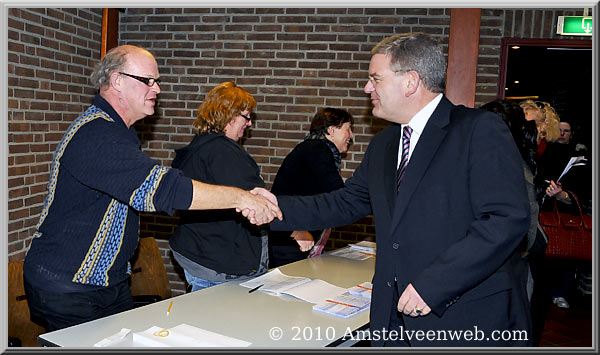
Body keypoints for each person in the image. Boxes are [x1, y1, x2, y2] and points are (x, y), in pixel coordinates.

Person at [265, 32, 532, 346]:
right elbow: (347, 202)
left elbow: (505, 219)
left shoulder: (477, 130)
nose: (367, 88)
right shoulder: (385, 144)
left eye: (375, 79)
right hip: (391, 316)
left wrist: (433, 285)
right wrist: (274, 207)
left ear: (410, 82)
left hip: (461, 316)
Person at [22, 45, 281, 332]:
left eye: (156, 81)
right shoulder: (97, 134)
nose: (156, 88)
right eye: (148, 80)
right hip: (69, 285)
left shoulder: (120, 133)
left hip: (109, 281)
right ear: (117, 80)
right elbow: (160, 190)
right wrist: (241, 196)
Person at [168, 81, 295, 292]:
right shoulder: (223, 152)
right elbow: (257, 202)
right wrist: (296, 229)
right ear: (228, 115)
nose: (250, 123)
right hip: (217, 263)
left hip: (200, 254)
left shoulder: (200, 147)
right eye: (247, 116)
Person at [268, 107, 353, 268]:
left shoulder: (315, 149)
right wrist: (295, 230)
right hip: (290, 241)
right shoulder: (317, 150)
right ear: (331, 130)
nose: (351, 136)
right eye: (348, 129)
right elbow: (336, 192)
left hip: (291, 238)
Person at [537, 121, 590, 311]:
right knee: (542, 252)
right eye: (559, 130)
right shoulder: (542, 150)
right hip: (543, 207)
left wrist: (562, 194)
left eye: (566, 131)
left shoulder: (579, 156)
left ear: (571, 134)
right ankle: (540, 291)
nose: (562, 133)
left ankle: (559, 293)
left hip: (566, 211)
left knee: (564, 254)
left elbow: (583, 189)